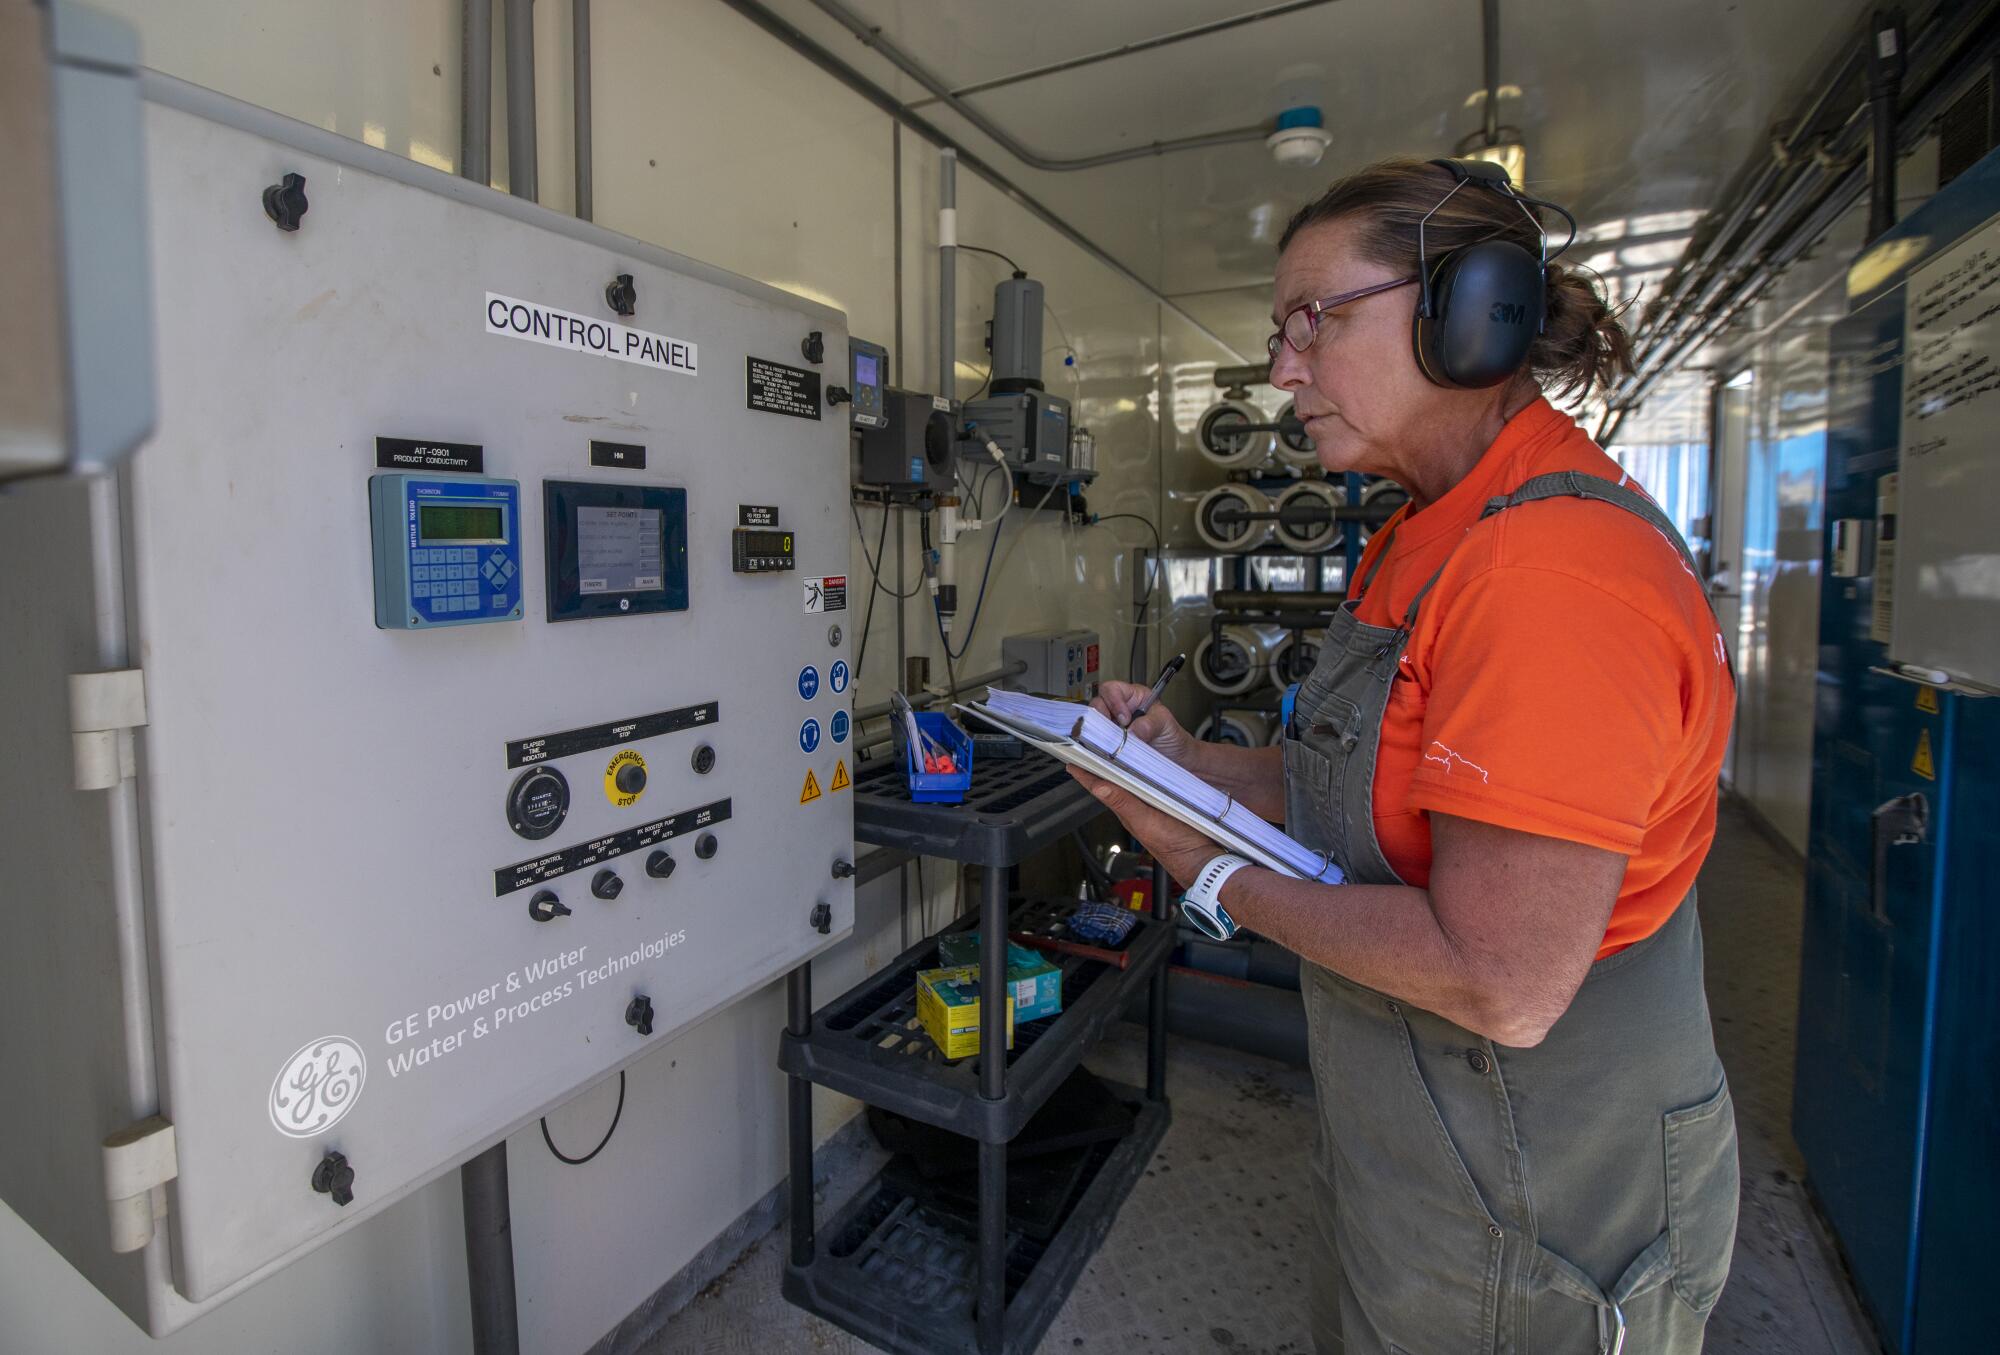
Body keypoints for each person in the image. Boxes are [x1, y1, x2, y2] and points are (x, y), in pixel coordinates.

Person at [1079, 159, 1740, 1354]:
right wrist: (1187, 765)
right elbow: (1366, 787)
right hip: (1414, 1126)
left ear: (1467, 312)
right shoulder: (1418, 534)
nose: (1282, 369)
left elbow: (1501, 979)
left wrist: (1204, 868)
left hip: (1540, 1168)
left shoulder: (1549, 574)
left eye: (1312, 322)